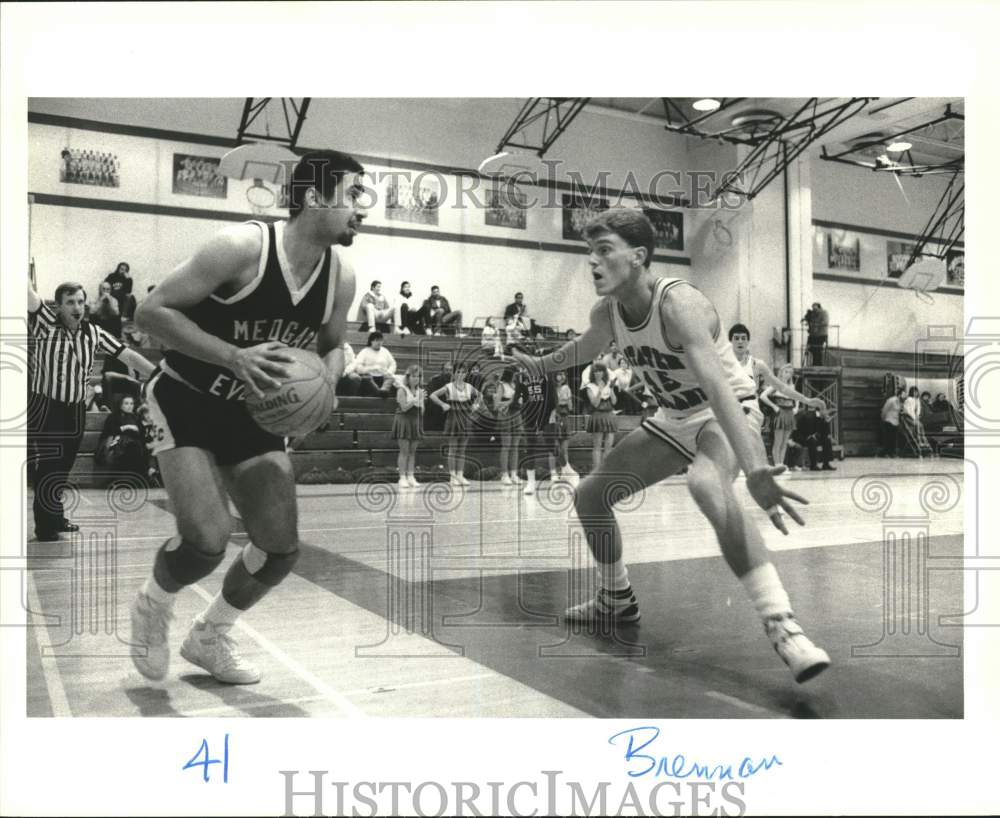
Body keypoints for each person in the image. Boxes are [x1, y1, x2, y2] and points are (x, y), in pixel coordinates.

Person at [512, 208, 829, 683]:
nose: (592, 263)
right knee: (591, 494)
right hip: (675, 417)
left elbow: (719, 389)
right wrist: (542, 366)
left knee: (705, 482)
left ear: (638, 257)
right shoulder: (608, 313)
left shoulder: (679, 304)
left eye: (604, 251)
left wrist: (755, 465)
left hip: (728, 409)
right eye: (589, 253)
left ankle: (783, 624)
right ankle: (615, 598)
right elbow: (583, 349)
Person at [129, 149, 365, 685]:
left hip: (255, 413)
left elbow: (332, 345)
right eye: (353, 195)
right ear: (313, 197)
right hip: (186, 397)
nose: (361, 210)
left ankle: (209, 635)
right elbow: (150, 313)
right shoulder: (241, 247)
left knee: (279, 550)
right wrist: (234, 356)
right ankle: (153, 604)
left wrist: (326, 381)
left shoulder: (340, 277)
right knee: (205, 543)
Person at [27, 281, 154, 541]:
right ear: (59, 306)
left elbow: (127, 355)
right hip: (46, 407)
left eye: (81, 301)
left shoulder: (93, 332)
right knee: (50, 466)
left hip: (75, 410)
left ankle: (55, 515)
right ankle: (45, 526)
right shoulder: (44, 322)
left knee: (62, 467)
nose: (77, 307)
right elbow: (27, 292)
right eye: (70, 302)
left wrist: (158, 374)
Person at [429, 363, 480, 485]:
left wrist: (476, 404)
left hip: (465, 417)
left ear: (466, 374)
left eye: (463, 372)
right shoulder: (449, 386)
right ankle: (452, 477)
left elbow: (480, 395)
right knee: (453, 449)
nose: (460, 375)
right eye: (458, 372)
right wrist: (443, 404)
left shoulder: (469, 387)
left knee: (462, 449)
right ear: (454, 373)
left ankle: (460, 475)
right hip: (453, 418)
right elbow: (433, 395)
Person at [514, 355, 557, 496]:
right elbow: (517, 397)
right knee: (529, 448)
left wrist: (551, 414)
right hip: (529, 415)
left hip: (545, 413)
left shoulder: (545, 375)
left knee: (552, 444)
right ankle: (530, 483)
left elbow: (552, 397)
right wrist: (518, 402)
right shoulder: (520, 377)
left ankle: (562, 472)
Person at [95, 394, 147, 478]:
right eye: (126, 403)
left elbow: (142, 433)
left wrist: (137, 430)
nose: (129, 406)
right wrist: (125, 427)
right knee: (130, 447)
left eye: (131, 403)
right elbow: (108, 432)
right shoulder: (113, 416)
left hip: (134, 446)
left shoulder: (135, 417)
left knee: (136, 447)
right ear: (120, 405)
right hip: (116, 446)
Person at [760, 363, 799, 469]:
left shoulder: (792, 386)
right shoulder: (776, 384)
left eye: (790, 373)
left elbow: (797, 398)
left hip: (789, 413)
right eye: (786, 372)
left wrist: (796, 408)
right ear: (781, 372)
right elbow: (763, 396)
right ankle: (777, 464)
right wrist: (774, 406)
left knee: (785, 442)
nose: (788, 375)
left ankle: (782, 464)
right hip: (780, 413)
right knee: (778, 441)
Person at [392, 365, 424, 488]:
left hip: (415, 421)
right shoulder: (402, 389)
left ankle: (411, 476)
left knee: (412, 452)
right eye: (413, 376)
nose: (416, 379)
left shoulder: (420, 391)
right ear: (408, 377)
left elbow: (422, 411)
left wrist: (421, 404)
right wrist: (415, 399)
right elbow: (404, 407)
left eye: (418, 376)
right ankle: (402, 478)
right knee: (404, 451)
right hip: (403, 420)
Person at [584, 361, 617, 471]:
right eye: (596, 371)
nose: (598, 373)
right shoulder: (589, 387)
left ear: (604, 372)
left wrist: (611, 389)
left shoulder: (608, 384)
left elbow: (614, 401)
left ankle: (606, 469)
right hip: (597, 415)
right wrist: (600, 390)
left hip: (609, 415)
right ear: (593, 373)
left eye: (600, 371)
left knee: (609, 446)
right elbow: (595, 403)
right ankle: (596, 471)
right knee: (597, 446)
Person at [343, 331, 397, 397]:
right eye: (377, 340)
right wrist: (371, 368)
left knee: (391, 378)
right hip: (370, 376)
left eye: (381, 340)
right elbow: (358, 367)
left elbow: (393, 363)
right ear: (371, 341)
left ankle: (383, 390)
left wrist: (389, 372)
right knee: (366, 379)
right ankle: (378, 392)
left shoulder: (385, 351)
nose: (379, 343)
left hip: (383, 375)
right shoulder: (365, 351)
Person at [494, 366, 524, 485]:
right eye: (515, 373)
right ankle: (504, 474)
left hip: (516, 415)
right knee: (506, 446)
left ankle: (514, 474)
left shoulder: (517, 386)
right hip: (506, 415)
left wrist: (520, 401)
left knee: (515, 447)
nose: (517, 375)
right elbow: (496, 405)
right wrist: (510, 402)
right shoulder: (501, 385)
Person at [549, 370, 579, 485]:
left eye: (562, 374)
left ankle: (565, 473)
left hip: (564, 416)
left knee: (564, 448)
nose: (560, 377)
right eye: (558, 374)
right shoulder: (550, 389)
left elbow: (570, 407)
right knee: (553, 448)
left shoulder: (567, 388)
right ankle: (553, 473)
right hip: (553, 417)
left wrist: (568, 398)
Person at [795, 404, 837, 471]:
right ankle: (813, 465)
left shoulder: (819, 416)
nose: (826, 413)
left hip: (814, 437)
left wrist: (826, 422)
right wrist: (809, 436)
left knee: (827, 440)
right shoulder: (804, 415)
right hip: (803, 437)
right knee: (812, 441)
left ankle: (826, 464)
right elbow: (801, 429)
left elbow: (823, 431)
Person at [879, 388, 905, 457]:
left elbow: (899, 411)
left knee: (894, 438)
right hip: (889, 420)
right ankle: (886, 453)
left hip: (896, 421)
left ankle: (892, 453)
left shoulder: (900, 402)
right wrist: (883, 419)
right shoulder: (891, 400)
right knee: (888, 437)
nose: (905, 395)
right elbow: (884, 409)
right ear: (899, 394)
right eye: (903, 394)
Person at [803, 302, 829, 366]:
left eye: (815, 308)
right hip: (814, 335)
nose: (814, 309)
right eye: (813, 308)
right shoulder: (814, 314)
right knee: (812, 349)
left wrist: (814, 325)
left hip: (821, 334)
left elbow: (824, 322)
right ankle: (815, 363)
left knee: (818, 349)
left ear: (819, 307)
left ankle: (818, 364)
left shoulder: (823, 313)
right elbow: (809, 320)